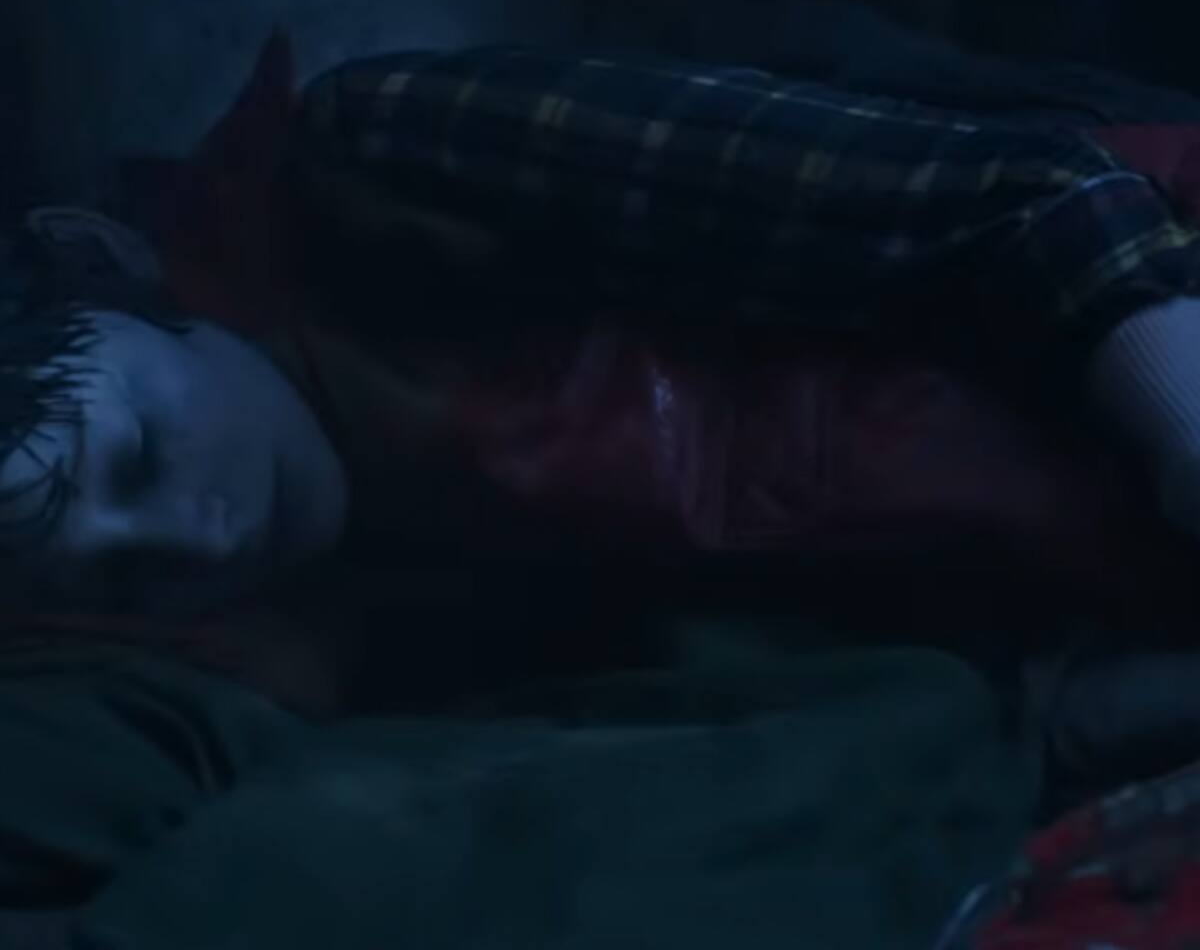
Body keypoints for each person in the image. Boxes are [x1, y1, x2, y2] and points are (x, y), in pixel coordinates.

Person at [0, 43, 1199, 622]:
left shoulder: (382, 160)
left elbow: (1030, 200)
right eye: (122, 574)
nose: (197, 537)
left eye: (142, 455)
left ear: (132, 288)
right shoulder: (350, 609)